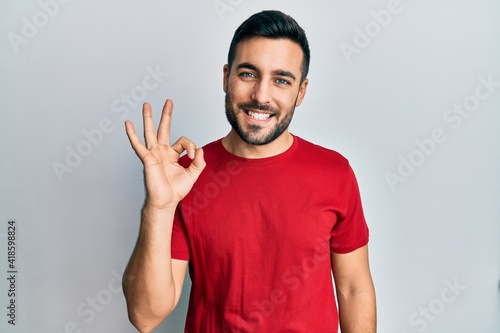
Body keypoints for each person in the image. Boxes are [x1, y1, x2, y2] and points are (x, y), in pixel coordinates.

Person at [122, 10, 376, 333]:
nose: (261, 95)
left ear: (301, 92)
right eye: (248, 74)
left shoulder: (335, 174)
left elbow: (354, 289)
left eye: (281, 80)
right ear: (226, 77)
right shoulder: (185, 177)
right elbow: (145, 316)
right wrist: (158, 207)